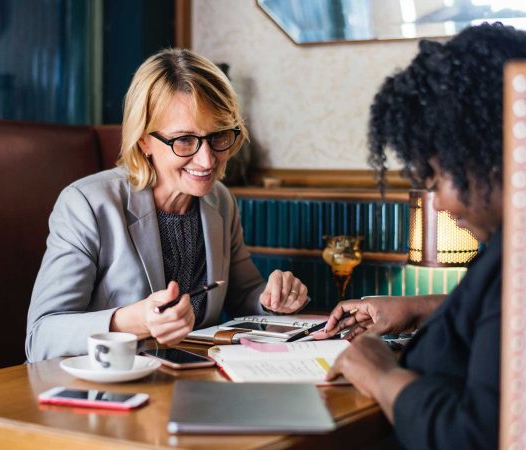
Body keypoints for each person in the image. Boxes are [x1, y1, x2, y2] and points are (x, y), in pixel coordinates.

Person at [314, 23, 524, 449]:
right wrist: (419, 307)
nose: (441, 205)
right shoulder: (509, 249)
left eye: (438, 176)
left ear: (487, 154)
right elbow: (499, 321)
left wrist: (381, 374)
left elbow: (472, 438)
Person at [26, 49, 309, 362]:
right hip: (106, 392)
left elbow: (244, 295)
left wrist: (273, 299)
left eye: (218, 136)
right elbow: (41, 337)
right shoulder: (87, 205)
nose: (207, 160)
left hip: (193, 386)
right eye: (185, 140)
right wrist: (132, 322)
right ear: (144, 140)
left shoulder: (220, 201)